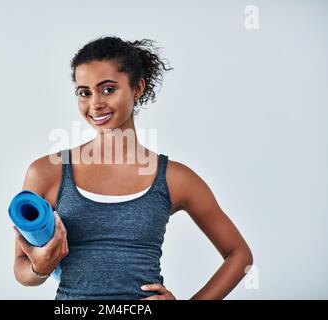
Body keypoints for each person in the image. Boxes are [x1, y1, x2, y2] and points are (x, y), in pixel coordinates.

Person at [13, 36, 253, 300]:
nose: (95, 104)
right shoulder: (47, 172)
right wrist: (40, 266)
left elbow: (240, 256)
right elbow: (21, 270)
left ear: (137, 88)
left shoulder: (176, 179)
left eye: (108, 89)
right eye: (84, 92)